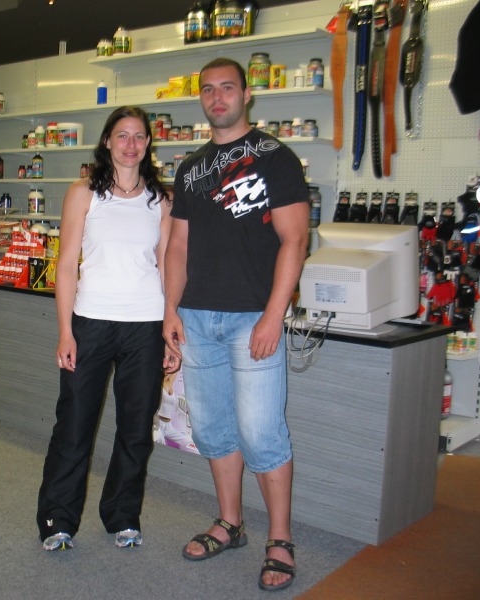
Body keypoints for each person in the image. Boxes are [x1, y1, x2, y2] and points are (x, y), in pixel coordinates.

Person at [163, 57, 309, 592]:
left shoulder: (276, 158)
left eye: (227, 88)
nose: (217, 97)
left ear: (247, 95)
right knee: (212, 430)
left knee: (262, 434)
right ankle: (230, 523)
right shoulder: (190, 168)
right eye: (208, 89)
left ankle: (280, 539)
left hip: (253, 318)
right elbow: (178, 245)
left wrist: (274, 313)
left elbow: (295, 239)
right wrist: (170, 310)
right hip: (198, 317)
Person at [37, 106, 175, 552]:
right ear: (107, 142)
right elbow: (66, 266)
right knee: (74, 425)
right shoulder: (83, 193)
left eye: (138, 136)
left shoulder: (161, 200)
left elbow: (167, 267)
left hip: (145, 325)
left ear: (148, 144)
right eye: (122, 135)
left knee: (135, 429)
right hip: (91, 322)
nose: (130, 144)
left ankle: (122, 515)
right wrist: (65, 331)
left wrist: (170, 326)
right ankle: (58, 520)